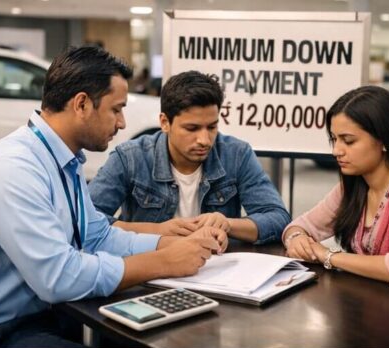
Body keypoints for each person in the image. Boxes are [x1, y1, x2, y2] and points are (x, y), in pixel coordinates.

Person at [0, 46, 224, 348]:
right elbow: (58, 277)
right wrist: (164, 261)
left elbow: (96, 236)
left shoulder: (64, 160)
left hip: (39, 320)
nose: (123, 123)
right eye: (116, 109)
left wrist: (173, 244)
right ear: (82, 104)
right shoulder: (12, 169)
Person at [90, 71, 290, 245]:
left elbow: (278, 218)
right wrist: (157, 232)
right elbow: (86, 221)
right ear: (165, 122)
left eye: (212, 127)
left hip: (218, 271)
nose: (204, 140)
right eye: (191, 128)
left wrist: (227, 224)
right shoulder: (130, 157)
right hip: (150, 269)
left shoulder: (237, 154)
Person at [282, 85, 389, 297]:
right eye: (334, 139)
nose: (336, 151)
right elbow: (299, 226)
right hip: (372, 311)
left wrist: (329, 256)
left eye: (348, 141)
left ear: (384, 140)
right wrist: (296, 239)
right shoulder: (355, 184)